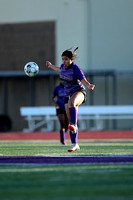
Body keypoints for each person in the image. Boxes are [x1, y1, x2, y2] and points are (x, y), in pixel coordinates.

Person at [46, 47, 95, 152]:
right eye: (63, 59)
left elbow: (84, 80)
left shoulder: (75, 68)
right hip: (68, 96)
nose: (64, 61)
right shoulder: (63, 67)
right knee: (70, 124)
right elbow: (58, 69)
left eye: (66, 59)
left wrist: (89, 85)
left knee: (72, 103)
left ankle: (74, 125)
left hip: (79, 92)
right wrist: (50, 66)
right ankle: (74, 144)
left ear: (71, 59)